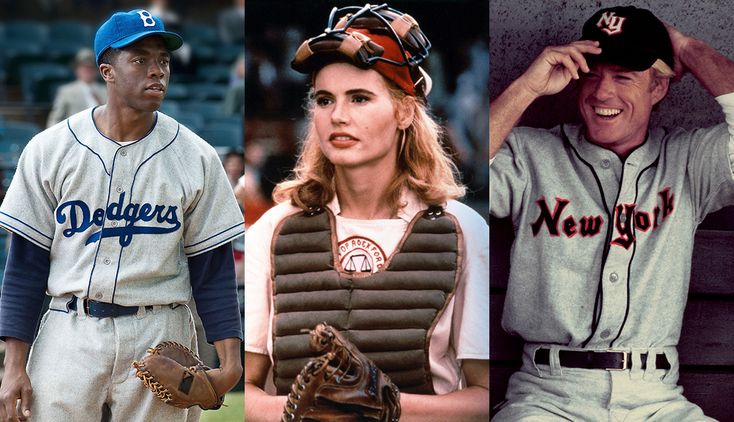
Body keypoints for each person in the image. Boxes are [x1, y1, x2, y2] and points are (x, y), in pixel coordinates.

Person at [244, 4, 489, 421]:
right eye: (324, 99)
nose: (338, 116)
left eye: (360, 98)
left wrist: (383, 407)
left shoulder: (463, 230)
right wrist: (306, 409)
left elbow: (485, 398)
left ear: (405, 111)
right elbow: (246, 391)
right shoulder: (273, 228)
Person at [490, 6, 734, 420]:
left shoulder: (689, 162)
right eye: (592, 73)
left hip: (658, 402)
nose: (602, 93)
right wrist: (527, 88)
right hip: (548, 398)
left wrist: (688, 49)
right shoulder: (531, 155)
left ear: (658, 87)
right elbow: (446, 179)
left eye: (624, 76)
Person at [0, 9, 244, 421]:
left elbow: (212, 268)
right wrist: (11, 366)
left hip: (160, 330)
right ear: (106, 71)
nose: (157, 71)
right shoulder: (49, 150)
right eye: (140, 59)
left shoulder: (197, 156)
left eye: (163, 61)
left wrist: (231, 361)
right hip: (70, 326)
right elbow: (24, 267)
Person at [46, 48, 108, 128]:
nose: (87, 71)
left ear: (97, 70)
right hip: (76, 134)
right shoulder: (66, 92)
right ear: (77, 70)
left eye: (91, 68)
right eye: (84, 68)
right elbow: (55, 119)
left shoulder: (106, 90)